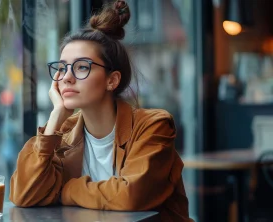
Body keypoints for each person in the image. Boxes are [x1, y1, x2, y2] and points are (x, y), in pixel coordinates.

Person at [10, 1, 191, 221]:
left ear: (112, 80)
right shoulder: (64, 134)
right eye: (62, 68)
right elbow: (23, 195)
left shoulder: (153, 126)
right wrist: (55, 117)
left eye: (82, 67)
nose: (67, 77)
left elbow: (131, 196)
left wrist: (67, 190)